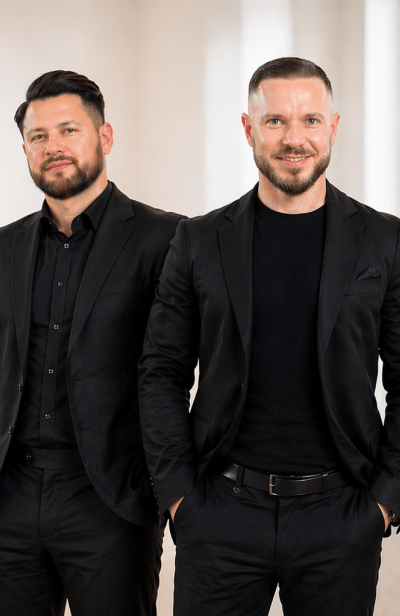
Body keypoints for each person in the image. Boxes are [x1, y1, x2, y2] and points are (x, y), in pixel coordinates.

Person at [139, 56, 400, 616]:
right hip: (220, 510)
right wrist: (179, 496)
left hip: (341, 513)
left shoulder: (385, 240)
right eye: (275, 121)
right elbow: (160, 371)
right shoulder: (198, 241)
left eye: (310, 120)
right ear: (248, 129)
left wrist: (384, 502)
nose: (293, 138)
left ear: (333, 127)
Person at [0, 70, 184, 616]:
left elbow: (184, 369)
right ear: (25, 150)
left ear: (104, 137)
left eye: (68, 130)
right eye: (38, 136)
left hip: (111, 496)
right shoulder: (5, 247)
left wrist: (174, 488)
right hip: (11, 492)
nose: (53, 146)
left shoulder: (167, 238)